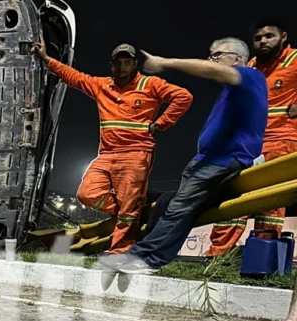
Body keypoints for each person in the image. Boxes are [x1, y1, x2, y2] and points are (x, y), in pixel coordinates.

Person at [100, 38, 269, 275]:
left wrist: (164, 63)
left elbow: (213, 70)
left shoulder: (250, 77)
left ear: (238, 58)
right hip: (207, 161)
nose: (211, 60)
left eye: (217, 55)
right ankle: (151, 261)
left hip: (221, 162)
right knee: (168, 202)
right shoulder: (233, 91)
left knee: (179, 206)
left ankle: (140, 258)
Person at [34, 41, 193, 253]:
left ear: (135, 64)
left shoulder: (150, 84)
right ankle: (130, 211)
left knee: (129, 206)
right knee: (87, 194)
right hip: (107, 154)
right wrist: (46, 60)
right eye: (118, 63)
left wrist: (162, 123)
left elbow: (183, 97)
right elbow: (75, 77)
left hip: (136, 154)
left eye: (127, 62)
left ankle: (119, 252)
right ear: (111, 65)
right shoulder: (102, 86)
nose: (122, 67)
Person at [208, 20, 297, 257]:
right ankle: (217, 255)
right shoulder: (253, 66)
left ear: (284, 36)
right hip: (248, 140)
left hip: (282, 139)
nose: (263, 41)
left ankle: (262, 257)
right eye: (258, 38)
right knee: (232, 192)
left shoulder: (295, 60)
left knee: (269, 200)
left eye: (269, 36)